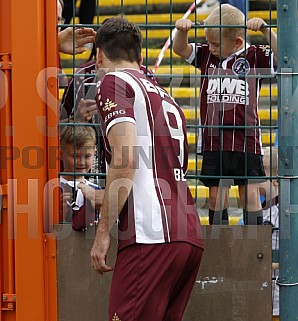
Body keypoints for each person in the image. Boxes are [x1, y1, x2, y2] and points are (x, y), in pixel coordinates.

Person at [79, 17, 204, 321]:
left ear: (98, 55)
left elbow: (125, 160)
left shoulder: (113, 81)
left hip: (150, 233)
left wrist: (103, 232)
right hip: (187, 231)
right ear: (141, 56)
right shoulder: (164, 95)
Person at [173, 4, 277, 225]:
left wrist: (266, 30)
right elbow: (179, 49)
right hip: (214, 141)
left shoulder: (254, 56)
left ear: (238, 42)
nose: (210, 48)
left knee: (249, 194)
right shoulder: (206, 55)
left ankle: (252, 248)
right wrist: (182, 31)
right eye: (208, 42)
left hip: (247, 140)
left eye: (216, 44)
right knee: (216, 196)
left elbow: (284, 54)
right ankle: (219, 248)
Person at [59, 124, 104, 230]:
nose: (82, 162)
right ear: (61, 154)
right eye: (75, 156)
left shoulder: (97, 191)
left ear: (95, 153)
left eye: (87, 156)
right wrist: (61, 211)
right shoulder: (53, 188)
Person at [260, 147, 279, 320]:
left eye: (260, 174)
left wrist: (266, 266)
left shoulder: (282, 212)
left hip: (279, 295)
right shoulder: (263, 209)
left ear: (275, 181)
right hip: (264, 294)